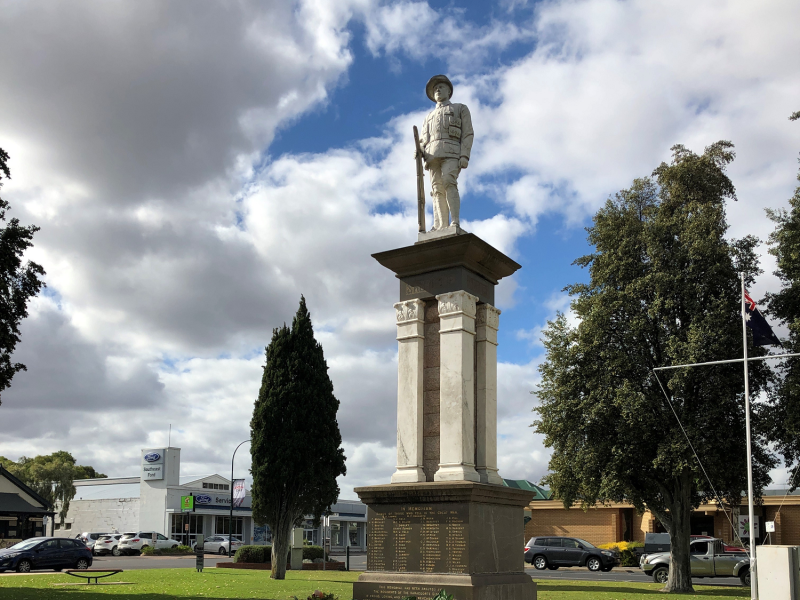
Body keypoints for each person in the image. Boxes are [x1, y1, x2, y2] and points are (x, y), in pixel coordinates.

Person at [415, 75, 474, 231]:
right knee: (436, 189)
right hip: (432, 155)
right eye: (435, 89)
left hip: (452, 152)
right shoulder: (428, 117)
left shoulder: (460, 108)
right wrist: (419, 150)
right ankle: (440, 224)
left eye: (441, 87)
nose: (437, 90)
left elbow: (467, 133)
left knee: (448, 181)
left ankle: (454, 221)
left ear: (449, 90)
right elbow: (423, 140)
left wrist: (464, 155)